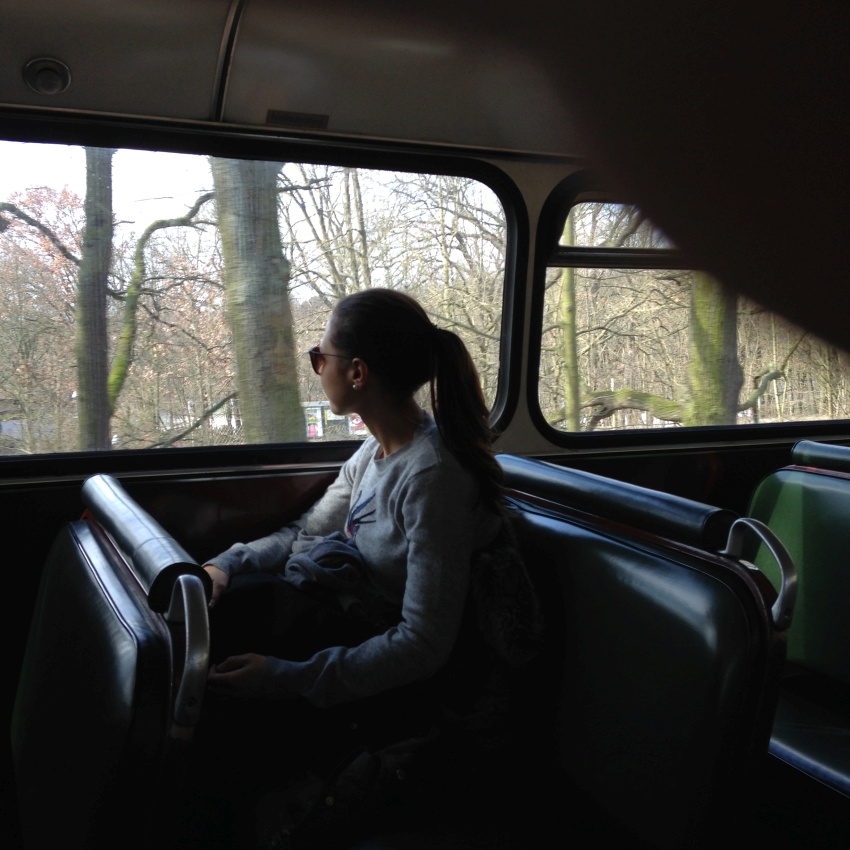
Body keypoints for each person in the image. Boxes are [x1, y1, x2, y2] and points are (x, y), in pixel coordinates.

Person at [186, 288, 512, 847]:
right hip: (353, 631)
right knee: (237, 600)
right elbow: (305, 535)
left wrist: (284, 679)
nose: (316, 368)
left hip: (409, 686)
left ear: (357, 372)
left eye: (321, 357)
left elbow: (424, 645)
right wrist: (224, 565)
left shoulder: (432, 477)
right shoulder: (374, 453)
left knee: (240, 666)